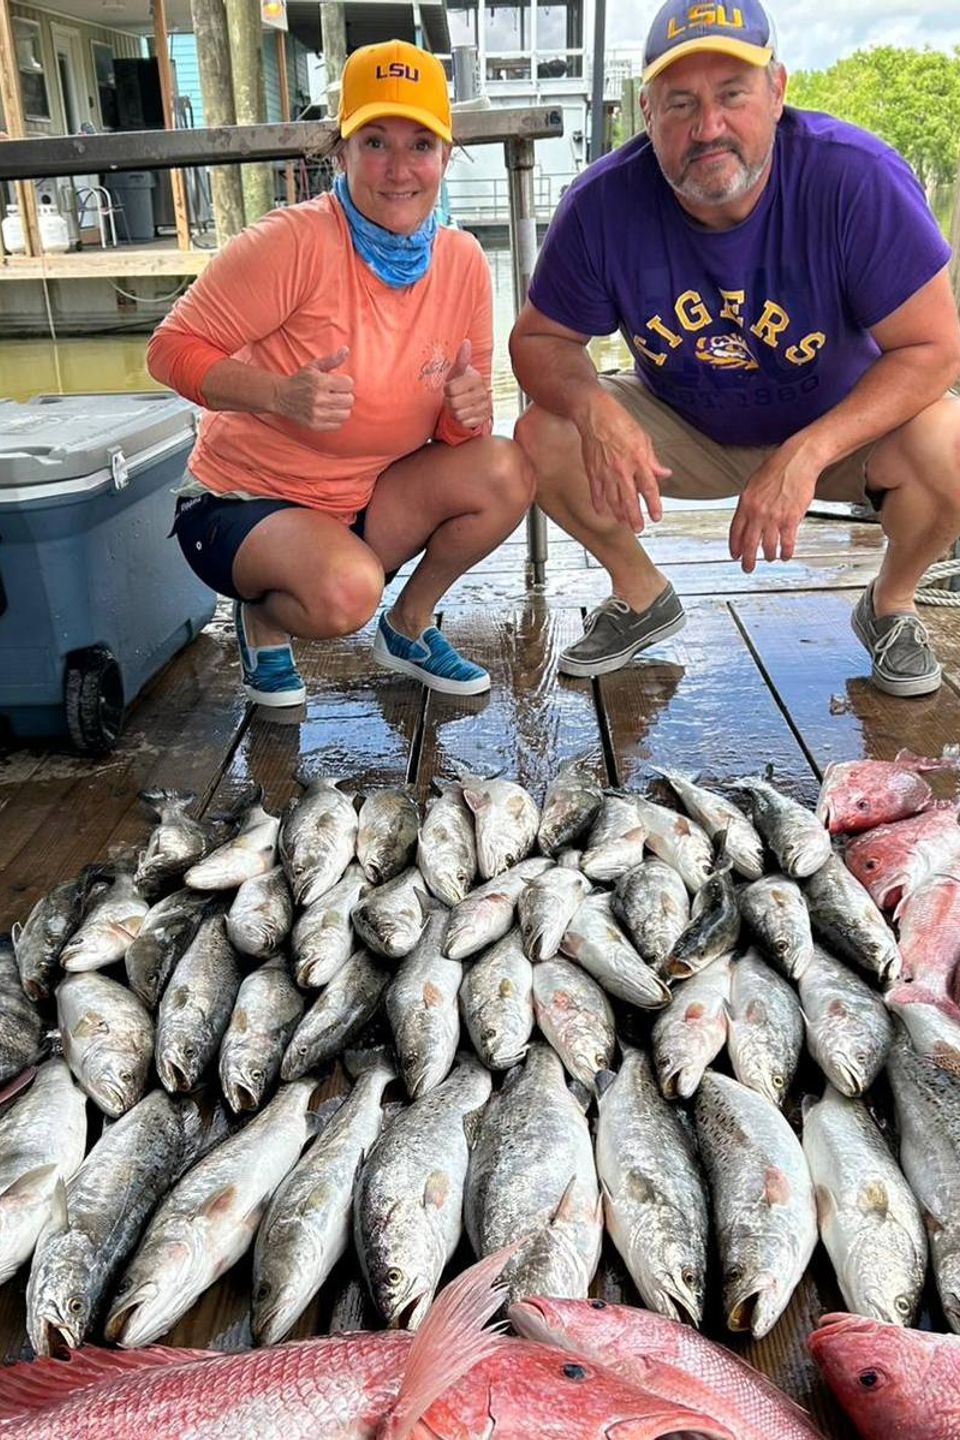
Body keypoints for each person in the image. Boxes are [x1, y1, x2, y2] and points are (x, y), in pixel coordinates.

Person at [511, 0, 960, 698]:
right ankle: (641, 595)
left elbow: (935, 349)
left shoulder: (855, 178)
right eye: (681, 103)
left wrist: (805, 453)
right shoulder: (600, 203)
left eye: (731, 96)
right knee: (543, 431)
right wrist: (597, 410)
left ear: (777, 91)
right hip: (685, 423)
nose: (707, 127)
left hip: (839, 427)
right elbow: (538, 340)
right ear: (646, 111)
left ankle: (891, 604)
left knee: (952, 444)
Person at [148, 38, 533, 707]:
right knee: (346, 593)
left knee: (508, 468)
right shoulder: (294, 241)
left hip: (363, 501)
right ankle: (265, 617)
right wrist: (277, 395)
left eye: (420, 144)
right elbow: (170, 349)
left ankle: (409, 626)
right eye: (375, 142)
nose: (398, 168)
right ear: (341, 151)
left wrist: (466, 410)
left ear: (447, 155)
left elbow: (457, 436)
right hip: (243, 504)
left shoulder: (465, 260)